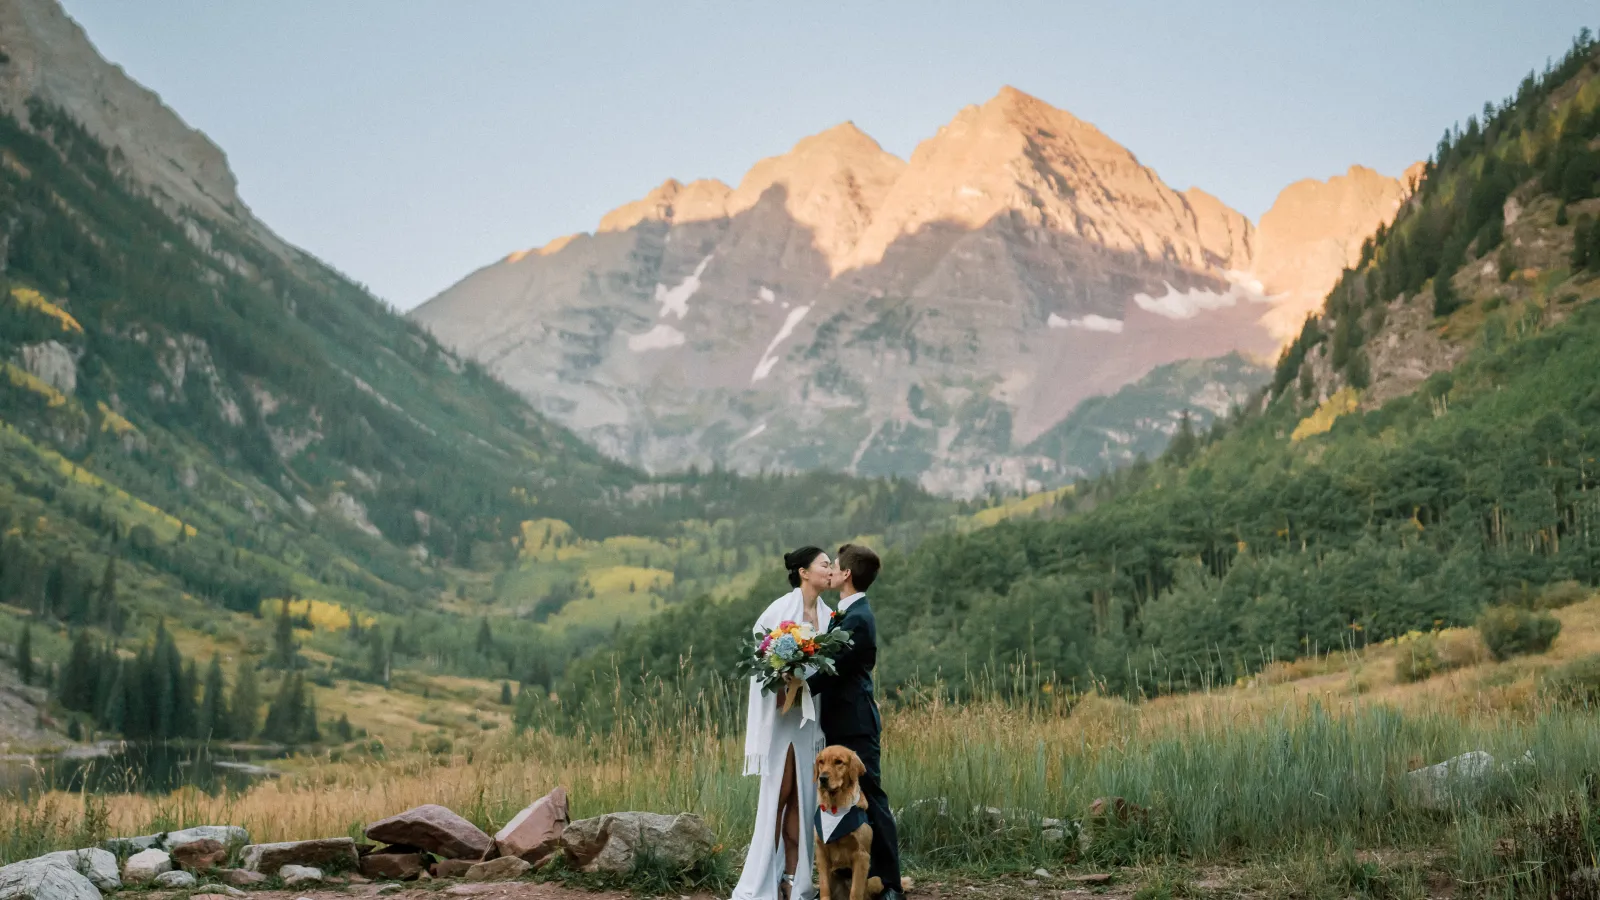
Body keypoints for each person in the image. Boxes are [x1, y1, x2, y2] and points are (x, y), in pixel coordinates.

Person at [733, 547, 837, 900]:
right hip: (780, 715)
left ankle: (794, 878)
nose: (830, 570)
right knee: (779, 791)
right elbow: (760, 647)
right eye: (824, 565)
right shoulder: (780, 609)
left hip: (809, 716)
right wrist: (779, 679)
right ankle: (764, 875)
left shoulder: (828, 614)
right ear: (804, 572)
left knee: (803, 797)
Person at [806, 543, 904, 900]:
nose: (829, 569)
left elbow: (834, 670)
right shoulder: (844, 612)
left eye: (834, 565)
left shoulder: (859, 618)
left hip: (856, 721)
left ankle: (891, 885)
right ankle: (845, 883)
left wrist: (795, 684)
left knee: (872, 796)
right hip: (841, 719)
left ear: (847, 574)